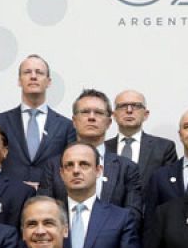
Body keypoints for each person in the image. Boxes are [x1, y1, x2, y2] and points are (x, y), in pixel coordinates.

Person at [57, 143, 141, 248]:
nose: (76, 170)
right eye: (69, 165)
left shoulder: (121, 218)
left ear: (98, 170)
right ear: (61, 173)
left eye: (84, 164)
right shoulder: (48, 217)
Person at [47, 89, 145, 218]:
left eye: (98, 113)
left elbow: (133, 217)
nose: (91, 117)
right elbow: (44, 212)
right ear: (74, 121)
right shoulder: (53, 165)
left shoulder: (127, 168)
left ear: (109, 122)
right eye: (85, 112)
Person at [0, 55, 76, 190]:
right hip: (7, 197)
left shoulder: (65, 126)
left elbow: (69, 164)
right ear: (19, 81)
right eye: (27, 72)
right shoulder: (0, 121)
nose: (33, 76)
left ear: (49, 82)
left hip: (49, 199)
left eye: (39, 72)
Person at [104, 89, 180, 178]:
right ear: (114, 115)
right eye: (123, 106)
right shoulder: (102, 148)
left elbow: (169, 186)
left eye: (136, 106)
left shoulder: (164, 148)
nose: (129, 110)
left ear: (146, 114)